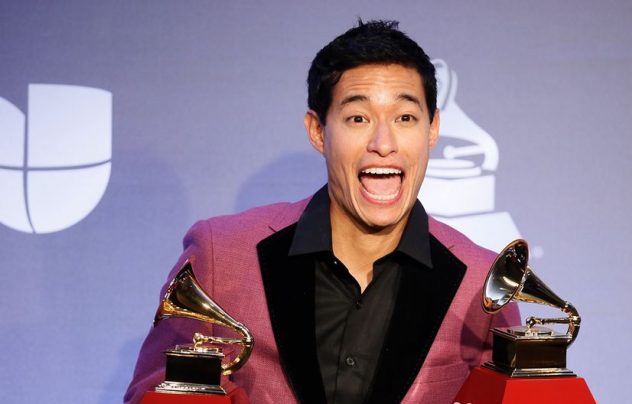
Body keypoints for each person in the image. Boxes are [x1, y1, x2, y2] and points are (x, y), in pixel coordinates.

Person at [125, 19, 519, 404]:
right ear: (317, 131)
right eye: (358, 118)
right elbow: (155, 395)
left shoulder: (480, 283)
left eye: (405, 118)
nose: (384, 143)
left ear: (431, 129)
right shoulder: (221, 257)